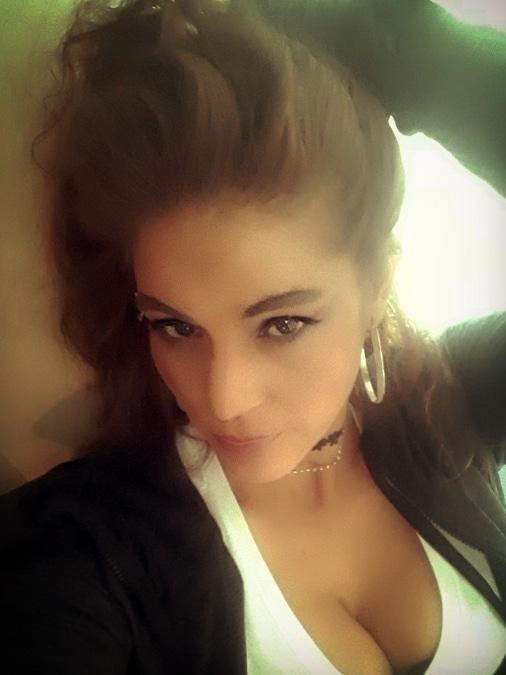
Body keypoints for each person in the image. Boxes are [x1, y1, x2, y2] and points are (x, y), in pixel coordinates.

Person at [0, 0, 505, 673]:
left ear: (377, 284)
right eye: (175, 325)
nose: (223, 398)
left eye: (283, 324)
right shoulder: (94, 548)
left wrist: (401, 42)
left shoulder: (450, 401)